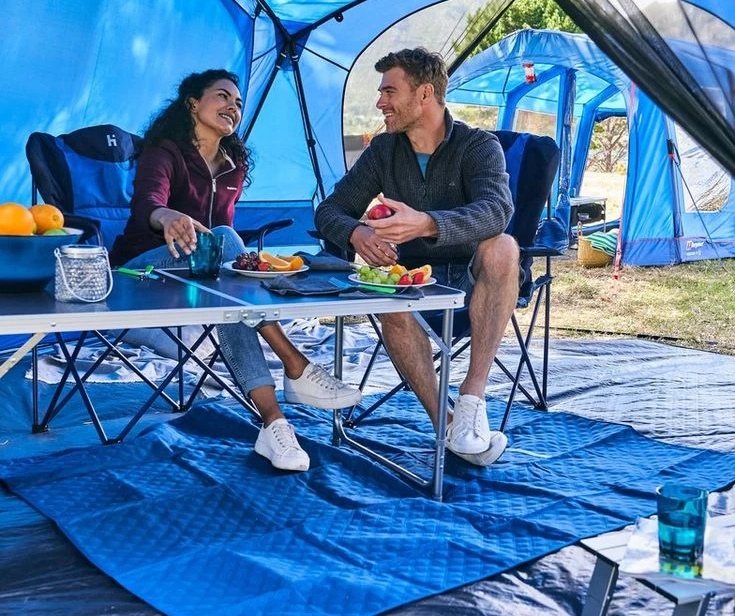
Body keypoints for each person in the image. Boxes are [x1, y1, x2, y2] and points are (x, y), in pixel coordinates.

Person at [111, 69, 362, 472]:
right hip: (141, 273)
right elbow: (146, 205)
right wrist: (169, 215)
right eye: (223, 96)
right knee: (228, 242)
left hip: (202, 277)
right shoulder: (165, 151)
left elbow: (219, 251)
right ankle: (295, 366)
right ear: (193, 102)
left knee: (238, 305)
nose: (233, 106)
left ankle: (275, 424)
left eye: (239, 102)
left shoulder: (233, 167)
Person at [314, 48, 519, 466]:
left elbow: (497, 210)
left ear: (425, 94)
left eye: (390, 91)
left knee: (503, 246)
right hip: (409, 282)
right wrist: (356, 232)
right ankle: (447, 426)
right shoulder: (383, 151)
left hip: (469, 278)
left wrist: (426, 223)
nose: (380, 102)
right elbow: (328, 211)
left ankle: (471, 400)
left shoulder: (478, 146)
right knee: (383, 283)